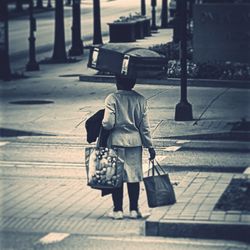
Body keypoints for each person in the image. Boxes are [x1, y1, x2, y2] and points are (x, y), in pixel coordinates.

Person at [102, 75, 156, 220]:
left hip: (116, 141)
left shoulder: (112, 98)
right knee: (134, 176)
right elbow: (144, 127)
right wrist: (150, 146)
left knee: (116, 177)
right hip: (134, 143)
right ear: (133, 82)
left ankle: (118, 210)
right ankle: (133, 209)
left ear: (117, 82)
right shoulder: (140, 99)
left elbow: (107, 123)